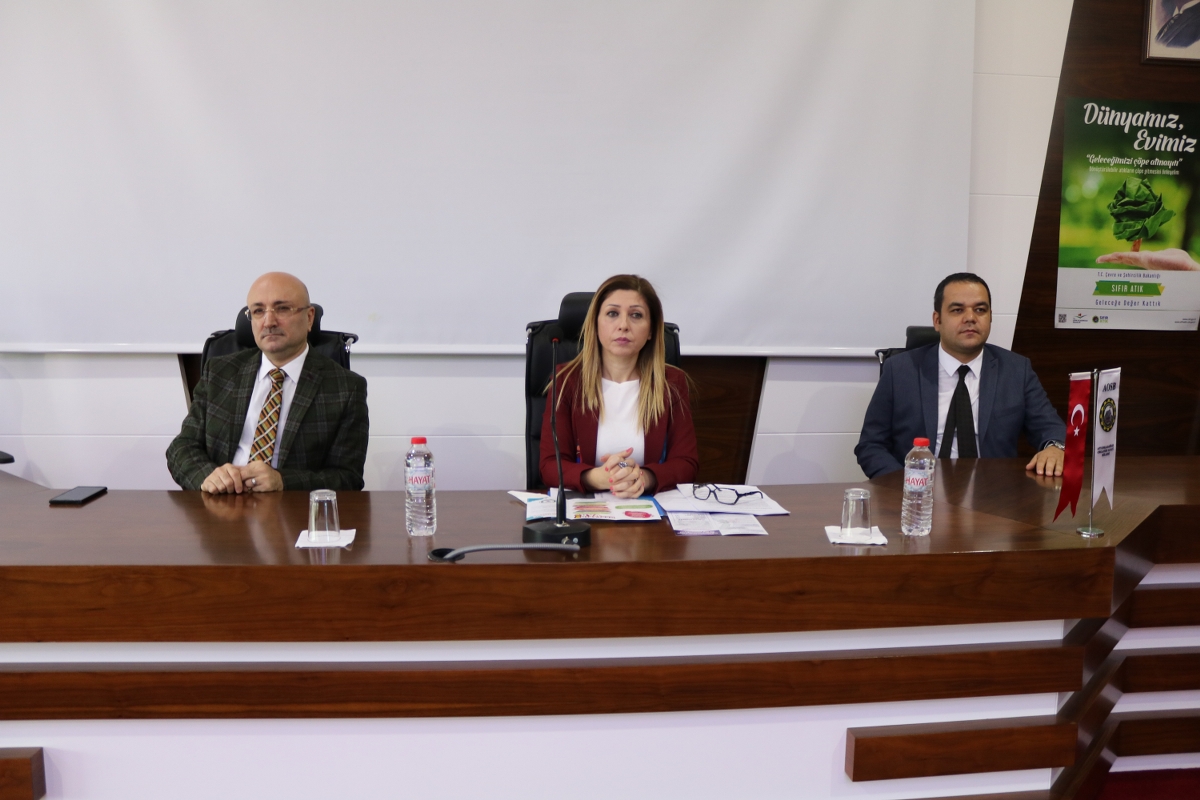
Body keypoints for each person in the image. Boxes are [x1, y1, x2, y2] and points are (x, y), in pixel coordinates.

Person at [166, 272, 369, 493]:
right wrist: (209, 476)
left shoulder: (346, 388)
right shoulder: (219, 372)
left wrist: (283, 481)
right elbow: (181, 448)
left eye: (282, 309)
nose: (269, 322)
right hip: (222, 503)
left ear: (309, 317)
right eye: (258, 311)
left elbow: (348, 478)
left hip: (290, 509)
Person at [855, 272, 1066, 479]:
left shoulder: (1016, 370)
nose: (970, 318)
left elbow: (1051, 428)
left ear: (990, 317)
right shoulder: (900, 371)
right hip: (918, 492)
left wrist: (1055, 448)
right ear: (937, 320)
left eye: (980, 310)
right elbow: (871, 445)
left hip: (994, 493)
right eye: (957, 310)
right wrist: (907, 485)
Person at [540, 274, 698, 498]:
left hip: (646, 506)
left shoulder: (671, 383)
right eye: (612, 313)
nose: (623, 325)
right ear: (595, 324)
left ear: (651, 330)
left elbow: (686, 463)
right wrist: (598, 478)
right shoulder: (566, 381)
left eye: (636, 315)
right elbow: (549, 466)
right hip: (586, 507)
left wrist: (644, 478)